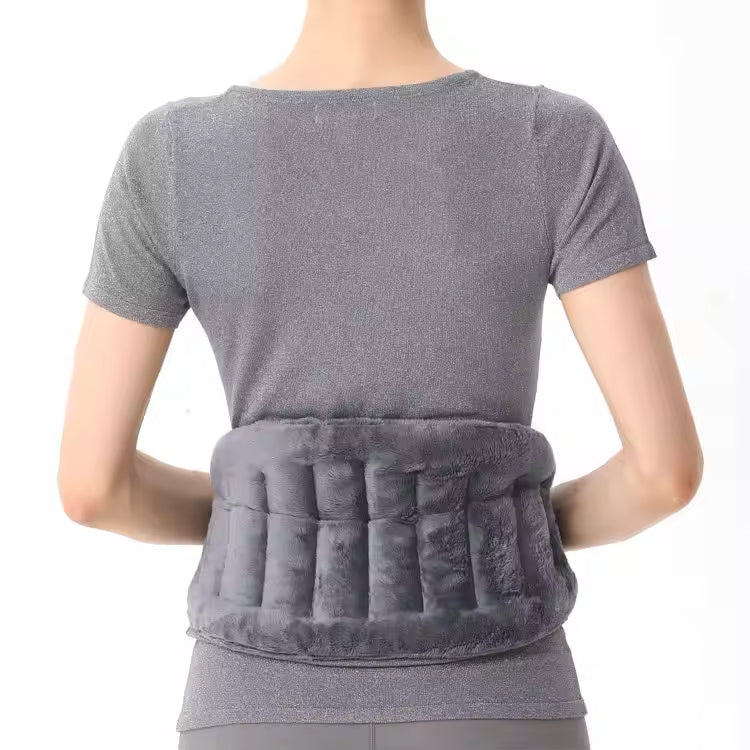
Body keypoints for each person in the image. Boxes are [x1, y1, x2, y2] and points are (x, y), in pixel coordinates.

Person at [58, 1, 703, 748]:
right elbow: (663, 474)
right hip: (499, 696)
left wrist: (284, 520)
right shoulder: (551, 137)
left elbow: (93, 487)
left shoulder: (174, 154)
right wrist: (487, 529)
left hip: (254, 704)